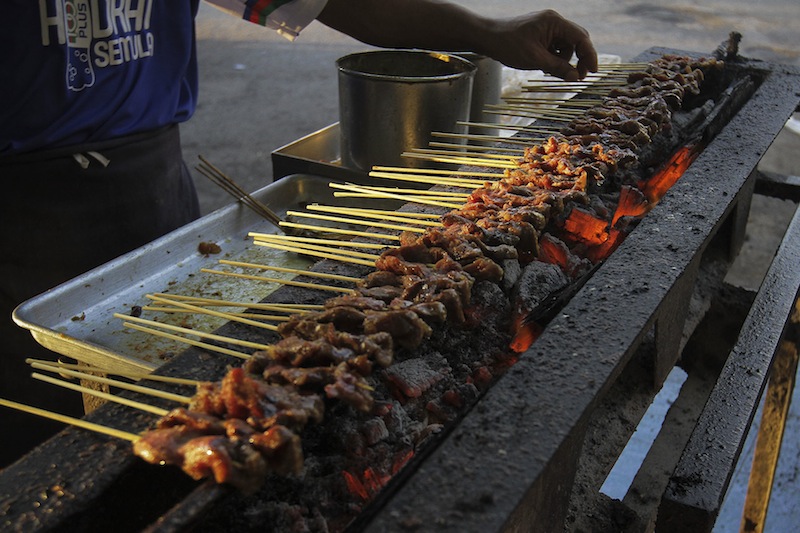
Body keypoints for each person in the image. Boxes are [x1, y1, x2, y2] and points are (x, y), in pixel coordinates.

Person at [0, 1, 596, 468]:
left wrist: (489, 30)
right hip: (18, 205)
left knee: (171, 385)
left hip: (151, 174)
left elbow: (343, 2)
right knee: (41, 437)